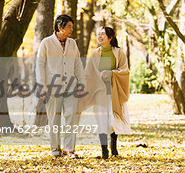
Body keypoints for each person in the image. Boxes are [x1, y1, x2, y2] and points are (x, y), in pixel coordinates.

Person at [36, 14, 85, 158]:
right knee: (54, 119)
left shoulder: (72, 43)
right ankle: (55, 150)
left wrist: (82, 84)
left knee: (71, 116)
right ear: (60, 27)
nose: (71, 30)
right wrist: (41, 86)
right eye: (69, 26)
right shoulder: (46, 43)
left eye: (72, 27)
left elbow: (77, 64)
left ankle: (69, 149)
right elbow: (40, 65)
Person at [79, 26, 131, 159]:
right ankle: (104, 151)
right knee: (101, 121)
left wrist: (111, 73)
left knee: (113, 121)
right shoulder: (95, 54)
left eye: (103, 34)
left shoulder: (118, 53)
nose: (100, 36)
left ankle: (114, 148)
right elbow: (88, 73)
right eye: (98, 34)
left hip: (114, 91)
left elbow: (124, 70)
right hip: (99, 92)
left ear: (110, 37)